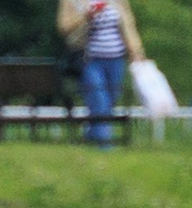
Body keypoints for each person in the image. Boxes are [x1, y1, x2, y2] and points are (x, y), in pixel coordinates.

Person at [60, 0, 145, 147]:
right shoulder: (72, 2)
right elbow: (64, 27)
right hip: (90, 60)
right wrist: (86, 17)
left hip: (116, 60)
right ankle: (104, 144)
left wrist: (136, 51)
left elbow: (128, 25)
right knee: (99, 99)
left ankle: (91, 136)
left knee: (111, 100)